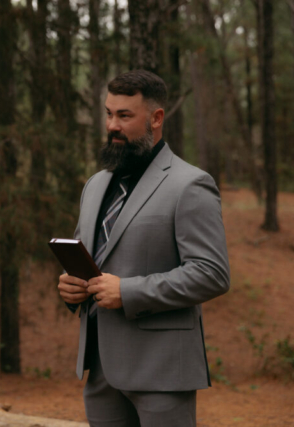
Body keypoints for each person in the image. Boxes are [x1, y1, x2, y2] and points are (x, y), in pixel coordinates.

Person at [57, 70, 230, 426]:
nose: (112, 126)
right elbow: (91, 261)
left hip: (162, 370)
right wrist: (70, 286)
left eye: (124, 116)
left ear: (156, 118)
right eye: (108, 113)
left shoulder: (191, 184)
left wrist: (129, 291)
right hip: (101, 370)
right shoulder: (95, 185)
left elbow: (212, 274)